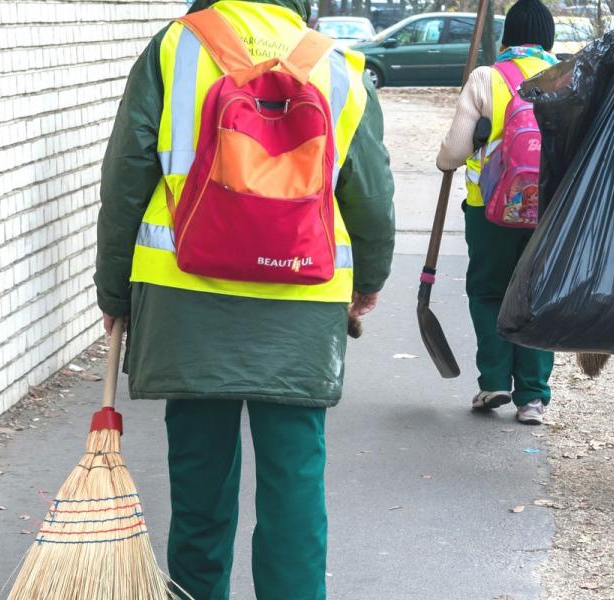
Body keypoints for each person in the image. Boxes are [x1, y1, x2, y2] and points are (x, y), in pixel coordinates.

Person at [93, 0, 395, 597]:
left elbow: (126, 174)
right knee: (295, 482)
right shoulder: (334, 64)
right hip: (302, 306)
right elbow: (372, 189)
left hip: (186, 300)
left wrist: (113, 289)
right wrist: (369, 279)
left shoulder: (174, 48)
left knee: (199, 478)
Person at [436, 0, 558, 426]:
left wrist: (445, 162)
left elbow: (454, 151)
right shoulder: (570, 77)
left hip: (489, 212)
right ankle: (532, 398)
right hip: (550, 213)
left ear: (508, 37)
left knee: (489, 292)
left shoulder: (487, 77)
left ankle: (493, 381)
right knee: (538, 297)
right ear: (549, 36)